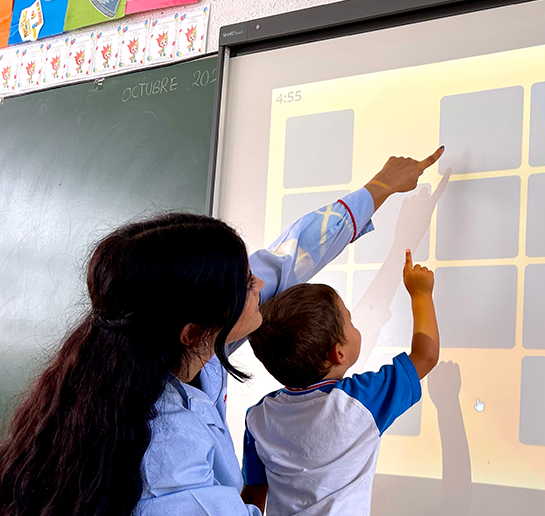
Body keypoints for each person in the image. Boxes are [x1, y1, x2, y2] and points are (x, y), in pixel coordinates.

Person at [0, 147, 444, 516]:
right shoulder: (166, 464)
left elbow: (290, 256)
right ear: (196, 333)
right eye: (246, 286)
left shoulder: (156, 341)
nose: (260, 284)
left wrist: (378, 188)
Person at [239, 249, 439, 516]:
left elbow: (252, 496)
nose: (354, 324)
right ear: (338, 353)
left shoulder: (259, 418)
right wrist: (421, 294)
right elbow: (426, 356)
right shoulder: (360, 402)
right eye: (350, 320)